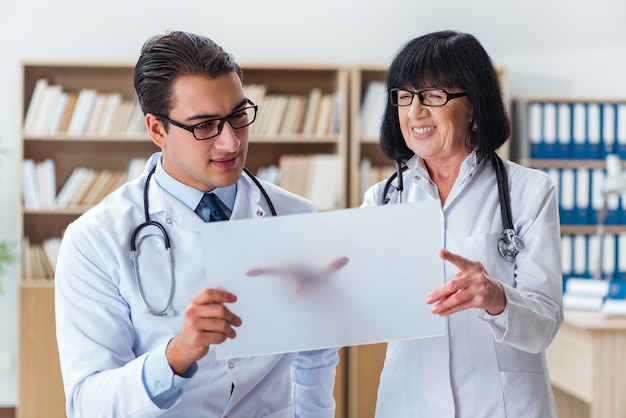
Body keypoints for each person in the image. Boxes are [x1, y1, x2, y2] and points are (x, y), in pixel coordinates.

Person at [55, 31, 338, 418]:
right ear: (157, 130)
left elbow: (316, 354)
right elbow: (88, 404)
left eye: (238, 116)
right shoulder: (95, 239)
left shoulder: (295, 217)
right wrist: (176, 355)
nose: (231, 143)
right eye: (204, 126)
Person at [362, 30, 563, 417]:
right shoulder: (382, 200)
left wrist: (496, 297)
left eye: (434, 96)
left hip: (502, 405)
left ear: (474, 104)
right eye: (405, 97)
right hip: (411, 403)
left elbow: (544, 325)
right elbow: (363, 305)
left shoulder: (529, 192)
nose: (415, 112)